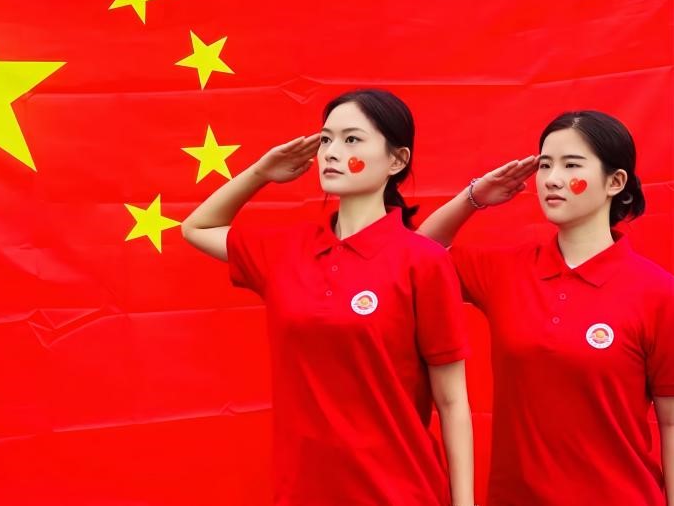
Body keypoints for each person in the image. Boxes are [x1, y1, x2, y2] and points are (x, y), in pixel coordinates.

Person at [182, 89, 475, 505]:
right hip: (303, 492)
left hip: (398, 491)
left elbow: (451, 401)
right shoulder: (287, 251)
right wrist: (262, 172)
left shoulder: (423, 262)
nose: (331, 153)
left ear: (397, 160)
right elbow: (196, 228)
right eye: (325, 140)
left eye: (351, 139)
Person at [418, 110, 674, 505]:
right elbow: (418, 258)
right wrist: (474, 198)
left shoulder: (656, 292)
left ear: (615, 182)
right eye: (545, 165)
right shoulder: (506, 270)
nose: (552, 179)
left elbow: (671, 423)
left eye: (571, 165)